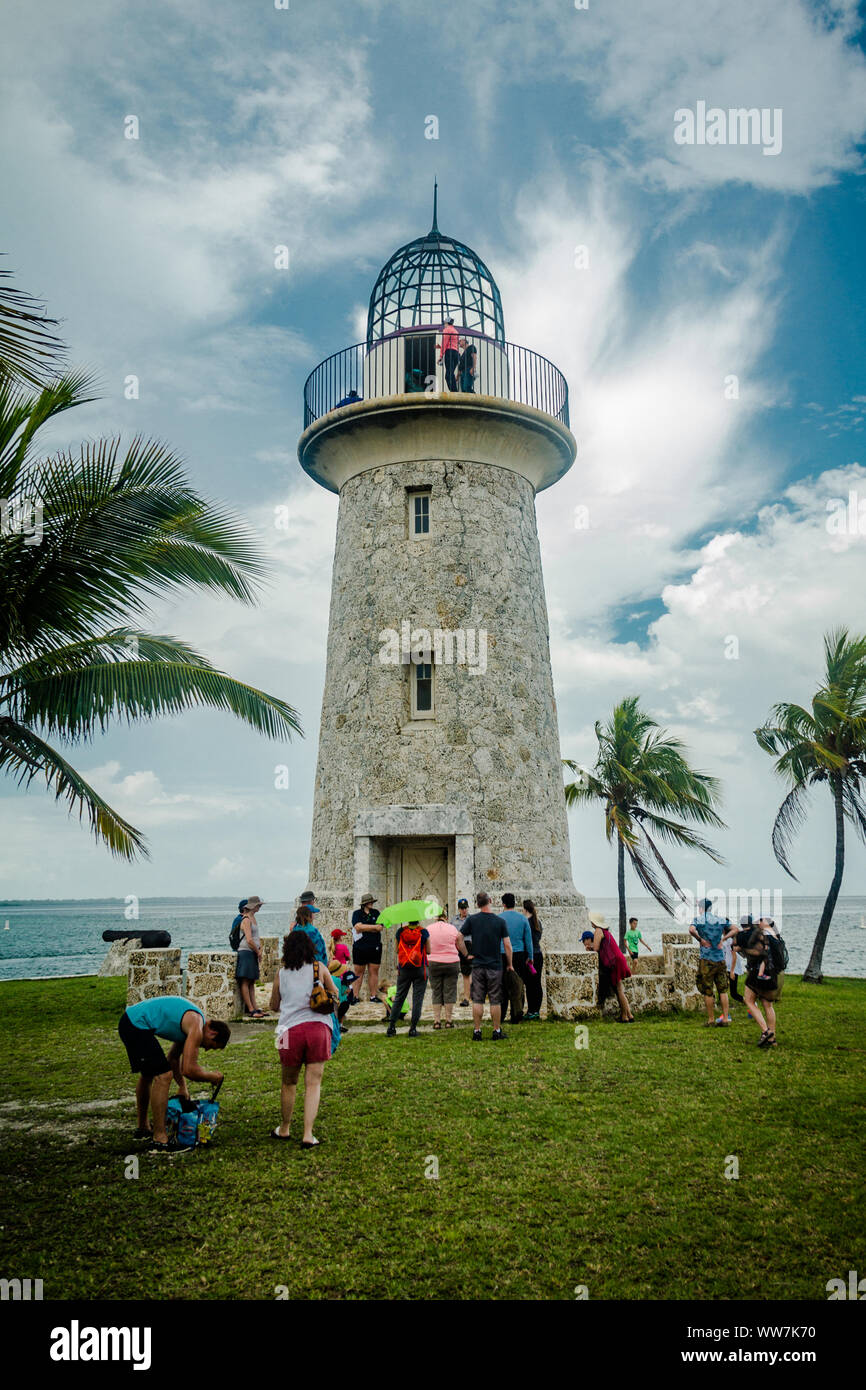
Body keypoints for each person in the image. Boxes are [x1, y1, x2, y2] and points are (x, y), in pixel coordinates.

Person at [118, 996, 229, 1151]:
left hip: (131, 1021)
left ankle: (143, 1127)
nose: (207, 1049)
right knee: (163, 1076)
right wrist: (212, 1077)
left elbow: (173, 1059)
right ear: (212, 1033)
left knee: (149, 1074)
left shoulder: (191, 1024)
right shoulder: (196, 1026)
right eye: (212, 1046)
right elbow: (189, 1069)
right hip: (137, 1024)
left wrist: (182, 1087)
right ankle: (160, 1138)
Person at [270, 931, 339, 1146]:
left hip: (288, 1031)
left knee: (288, 1082)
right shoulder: (320, 968)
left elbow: (273, 1005)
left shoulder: (281, 974)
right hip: (318, 1028)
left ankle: (285, 1128)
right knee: (313, 1083)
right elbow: (335, 994)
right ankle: (308, 1134)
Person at [464, 892, 515, 1041]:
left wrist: (467, 954)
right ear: (490, 901)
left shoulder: (472, 920)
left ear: (478, 904)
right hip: (494, 965)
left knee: (478, 999)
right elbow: (507, 945)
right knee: (495, 999)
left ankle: (477, 1030)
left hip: (478, 965)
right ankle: (496, 1030)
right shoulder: (499, 921)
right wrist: (510, 964)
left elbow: (459, 937)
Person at [729, 916, 785, 1048]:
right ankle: (772, 1037)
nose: (759, 921)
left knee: (749, 1000)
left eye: (761, 920)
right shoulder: (773, 937)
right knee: (768, 1006)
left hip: (756, 973)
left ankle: (765, 1031)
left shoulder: (750, 936)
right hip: (771, 974)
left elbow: (735, 947)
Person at [582, 912, 634, 1022]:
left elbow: (596, 948)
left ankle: (624, 1016)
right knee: (619, 989)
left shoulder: (598, 931)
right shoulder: (605, 931)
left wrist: (589, 948)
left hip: (614, 962)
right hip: (618, 959)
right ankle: (629, 1015)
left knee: (619, 990)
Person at [689, 898, 730, 1028]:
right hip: (720, 959)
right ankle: (725, 1019)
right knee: (722, 990)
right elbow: (735, 929)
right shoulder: (720, 919)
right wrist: (723, 939)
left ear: (701, 908)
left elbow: (691, 930)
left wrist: (700, 939)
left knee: (708, 990)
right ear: (710, 908)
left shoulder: (698, 919)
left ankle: (711, 1019)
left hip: (707, 959)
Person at [385, 920, 430, 1038]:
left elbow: (397, 950)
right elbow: (429, 951)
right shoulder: (424, 932)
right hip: (420, 968)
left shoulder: (400, 932)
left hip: (404, 968)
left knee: (399, 997)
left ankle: (391, 1027)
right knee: (417, 999)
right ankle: (413, 1029)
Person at [426, 909, 470, 1029]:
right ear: (445, 918)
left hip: (433, 962)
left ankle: (436, 1021)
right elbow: (459, 943)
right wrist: (466, 954)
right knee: (449, 991)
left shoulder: (429, 928)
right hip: (451, 962)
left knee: (436, 991)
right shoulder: (452, 928)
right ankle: (449, 1020)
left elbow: (425, 944)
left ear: (436, 918)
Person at [499, 893, 534, 1024]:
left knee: (502, 986)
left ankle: (501, 1015)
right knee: (517, 985)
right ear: (514, 903)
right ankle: (516, 1014)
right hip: (519, 954)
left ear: (503, 904)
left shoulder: (499, 919)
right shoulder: (523, 919)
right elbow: (528, 940)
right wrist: (530, 957)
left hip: (502, 954)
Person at [350, 893, 383, 1004]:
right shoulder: (357, 914)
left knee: (374, 972)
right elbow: (357, 927)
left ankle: (373, 996)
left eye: (372, 901)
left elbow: (380, 928)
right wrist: (373, 927)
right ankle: (355, 996)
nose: (371, 903)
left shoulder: (376, 913)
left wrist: (365, 927)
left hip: (375, 946)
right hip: (360, 947)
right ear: (364, 903)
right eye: (369, 902)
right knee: (358, 972)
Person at [236, 894, 265, 1018]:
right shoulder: (246, 920)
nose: (259, 907)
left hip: (251, 952)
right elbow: (249, 939)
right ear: (253, 906)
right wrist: (258, 952)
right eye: (258, 905)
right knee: (246, 981)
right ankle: (251, 1009)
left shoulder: (253, 919)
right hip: (246, 952)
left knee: (252, 981)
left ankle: (255, 1007)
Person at [523, 898, 543, 1020]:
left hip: (530, 956)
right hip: (538, 954)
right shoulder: (537, 922)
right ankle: (536, 1010)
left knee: (530, 985)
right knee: (537, 984)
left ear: (525, 909)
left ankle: (531, 1010)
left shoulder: (526, 922)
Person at [452, 898, 473, 1007]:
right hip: (455, 946)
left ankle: (466, 998)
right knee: (454, 972)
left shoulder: (471, 919)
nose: (464, 910)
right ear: (459, 909)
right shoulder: (454, 919)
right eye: (462, 908)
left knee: (466, 973)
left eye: (465, 908)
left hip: (467, 945)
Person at [723, 916, 749, 1003]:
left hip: (732, 969)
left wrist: (732, 971)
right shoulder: (725, 939)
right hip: (727, 967)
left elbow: (734, 957)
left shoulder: (730, 940)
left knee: (733, 994)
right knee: (722, 989)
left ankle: (750, 1003)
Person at [438, 317, 460, 390]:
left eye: (444, 323)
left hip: (449, 352)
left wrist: (441, 356)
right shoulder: (455, 331)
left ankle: (454, 392)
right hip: (456, 353)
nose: (444, 324)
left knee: (448, 375)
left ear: (446, 323)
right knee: (451, 374)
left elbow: (444, 343)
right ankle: (454, 391)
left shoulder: (447, 330)